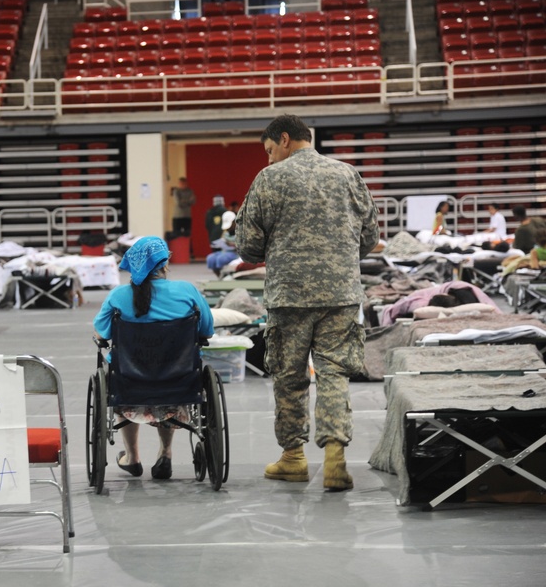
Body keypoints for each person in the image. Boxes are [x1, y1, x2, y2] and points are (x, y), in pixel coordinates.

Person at [235, 114, 379, 492]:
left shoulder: (269, 179)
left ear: (284, 140)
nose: (268, 159)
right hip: (341, 295)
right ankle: (335, 458)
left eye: (269, 150)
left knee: (289, 378)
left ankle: (294, 458)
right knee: (335, 374)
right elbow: (370, 237)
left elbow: (247, 247)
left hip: (289, 296)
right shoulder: (348, 174)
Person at [93, 236, 214, 480]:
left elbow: (101, 334)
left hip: (130, 381)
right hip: (178, 379)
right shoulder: (187, 291)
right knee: (173, 382)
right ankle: (165, 454)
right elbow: (206, 331)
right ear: (164, 263)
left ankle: (132, 457)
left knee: (115, 378)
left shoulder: (118, 296)